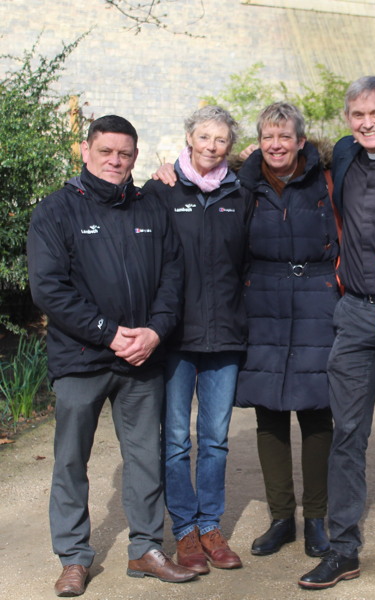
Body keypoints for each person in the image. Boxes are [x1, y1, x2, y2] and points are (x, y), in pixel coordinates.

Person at [27, 115, 196, 597]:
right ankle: (74, 557)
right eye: (106, 152)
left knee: (146, 458)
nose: (115, 161)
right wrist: (107, 333)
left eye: (124, 153)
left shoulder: (151, 208)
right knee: (71, 461)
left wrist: (155, 333)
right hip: (81, 358)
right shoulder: (56, 210)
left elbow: (172, 279)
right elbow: (49, 289)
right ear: (86, 151)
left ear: (136, 157)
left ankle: (145, 548)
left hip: (141, 359)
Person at [298, 76, 375, 590]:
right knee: (347, 431)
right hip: (355, 311)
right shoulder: (344, 155)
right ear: (347, 119)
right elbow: (278, 159)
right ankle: (344, 546)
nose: (367, 123)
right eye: (357, 115)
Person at [142, 105, 251, 574]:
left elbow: (248, 259)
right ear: (188, 137)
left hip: (225, 334)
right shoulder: (160, 190)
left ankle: (210, 525)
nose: (211, 146)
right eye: (204, 137)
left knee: (215, 439)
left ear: (230, 146)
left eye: (221, 140)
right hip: (175, 336)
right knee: (175, 441)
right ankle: (184, 530)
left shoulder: (241, 191)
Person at [233, 102, 338, 559]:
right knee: (269, 411)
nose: (276, 145)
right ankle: (282, 518)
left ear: (300, 141)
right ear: (259, 142)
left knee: (317, 411)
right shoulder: (243, 182)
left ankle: (316, 519)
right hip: (262, 299)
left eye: (285, 137)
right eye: (268, 137)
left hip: (318, 296)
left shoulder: (327, 179)